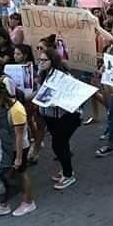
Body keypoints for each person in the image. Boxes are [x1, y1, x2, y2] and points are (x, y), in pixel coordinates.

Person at [0, 80, 36, 218]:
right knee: (4, 174)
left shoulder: (17, 110)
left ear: (0, 97)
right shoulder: (4, 107)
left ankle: (28, 202)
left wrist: (18, 158)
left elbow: (19, 137)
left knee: (22, 173)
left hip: (19, 148)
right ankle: (3, 204)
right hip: (7, 146)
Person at [37, 48, 81, 190]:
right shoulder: (43, 74)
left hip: (65, 116)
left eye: (44, 60)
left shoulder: (63, 76)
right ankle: (66, 170)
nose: (41, 63)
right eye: (40, 60)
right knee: (61, 144)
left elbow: (72, 94)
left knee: (58, 144)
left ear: (52, 61)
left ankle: (68, 176)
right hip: (50, 116)